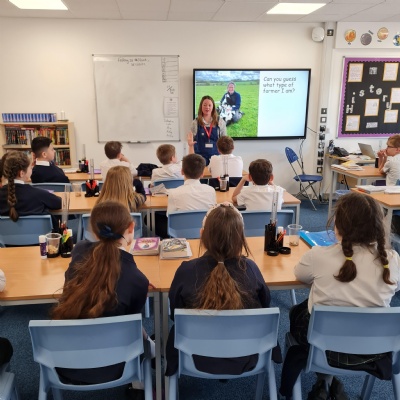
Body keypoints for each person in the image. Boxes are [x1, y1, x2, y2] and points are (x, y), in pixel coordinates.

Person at [280, 192, 400, 400]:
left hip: (323, 349)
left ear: (338, 225)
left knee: (298, 313)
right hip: (373, 349)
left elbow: (299, 274)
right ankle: (326, 382)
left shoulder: (318, 256)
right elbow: (394, 288)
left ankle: (323, 380)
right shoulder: (392, 260)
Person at [165, 202, 281, 376]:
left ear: (202, 235)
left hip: (194, 356)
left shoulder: (186, 271)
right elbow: (264, 305)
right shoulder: (250, 269)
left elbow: (175, 313)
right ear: (241, 238)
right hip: (246, 354)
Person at [51, 201, 153, 391]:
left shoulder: (79, 251)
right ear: (131, 228)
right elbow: (131, 320)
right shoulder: (138, 280)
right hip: (118, 365)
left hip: (65, 363)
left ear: (94, 231)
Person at [0, 151, 61, 221]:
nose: (32, 168)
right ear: (22, 173)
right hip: (40, 228)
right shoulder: (38, 194)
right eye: (30, 167)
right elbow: (60, 203)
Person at [187, 95, 226, 166]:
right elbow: (191, 142)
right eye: (204, 105)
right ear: (201, 107)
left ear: (213, 107)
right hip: (199, 160)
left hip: (216, 158)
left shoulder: (220, 122)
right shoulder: (195, 123)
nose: (207, 107)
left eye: (209, 105)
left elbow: (224, 141)